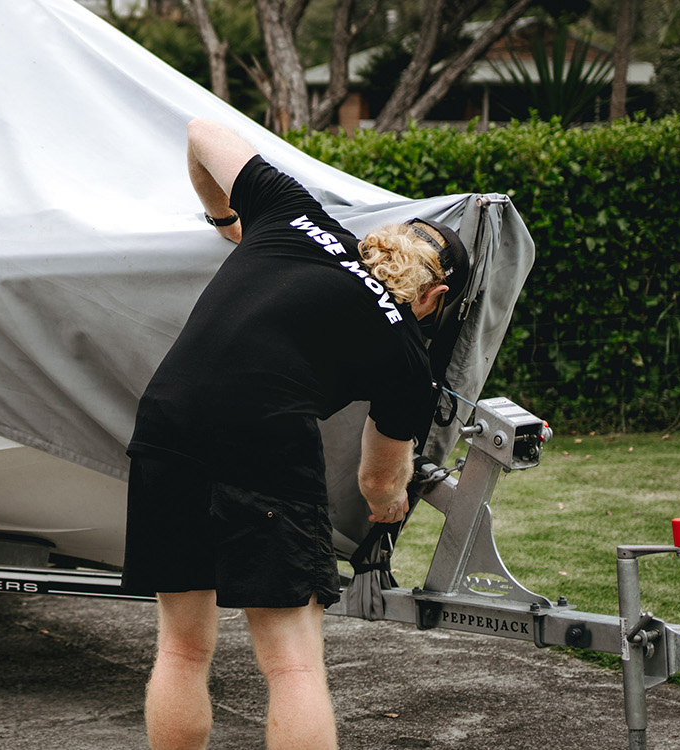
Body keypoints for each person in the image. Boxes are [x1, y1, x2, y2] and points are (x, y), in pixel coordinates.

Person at [122, 118, 469, 750]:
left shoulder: (294, 215)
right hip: (264, 448)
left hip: (165, 427)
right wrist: (390, 502)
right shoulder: (407, 353)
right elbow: (378, 479)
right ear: (435, 295)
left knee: (181, 649)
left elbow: (202, 131)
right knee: (292, 665)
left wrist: (227, 221)